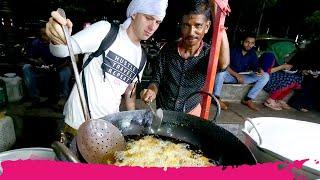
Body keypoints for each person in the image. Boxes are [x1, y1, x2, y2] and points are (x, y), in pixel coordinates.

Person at [46, 0, 168, 134]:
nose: (152, 27)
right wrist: (58, 37)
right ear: (134, 14)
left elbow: (129, 92)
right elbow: (62, 51)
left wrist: (133, 120)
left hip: (109, 128)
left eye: (157, 22)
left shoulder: (141, 57)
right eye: (148, 18)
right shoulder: (106, 31)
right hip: (78, 124)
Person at [140, 0, 230, 117]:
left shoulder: (208, 54)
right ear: (181, 26)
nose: (191, 32)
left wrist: (219, 21)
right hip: (163, 113)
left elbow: (223, 65)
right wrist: (152, 90)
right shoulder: (167, 50)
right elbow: (156, 79)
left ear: (207, 27)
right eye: (187, 25)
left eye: (198, 25)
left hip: (192, 113)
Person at [213, 33, 269, 111]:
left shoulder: (252, 53)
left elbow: (255, 67)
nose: (249, 45)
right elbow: (224, 65)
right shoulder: (233, 50)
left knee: (265, 76)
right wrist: (236, 75)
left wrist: (259, 70)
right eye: (247, 42)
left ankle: (248, 99)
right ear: (242, 41)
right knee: (221, 72)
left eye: (252, 43)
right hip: (229, 75)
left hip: (242, 77)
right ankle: (216, 98)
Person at [23, 26, 72, 108]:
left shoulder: (60, 43)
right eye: (41, 34)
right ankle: (34, 97)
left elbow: (67, 61)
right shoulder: (37, 43)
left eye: (45, 34)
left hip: (58, 67)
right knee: (26, 68)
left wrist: (56, 68)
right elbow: (30, 57)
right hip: (43, 67)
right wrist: (35, 62)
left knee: (66, 71)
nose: (42, 37)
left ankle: (63, 97)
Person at [260, 42, 303, 111]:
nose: (288, 54)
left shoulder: (279, 56)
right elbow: (266, 71)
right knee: (290, 79)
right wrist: (282, 66)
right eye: (288, 52)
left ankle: (278, 99)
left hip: (274, 75)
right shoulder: (269, 55)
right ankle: (270, 100)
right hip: (266, 78)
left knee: (297, 77)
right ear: (281, 49)